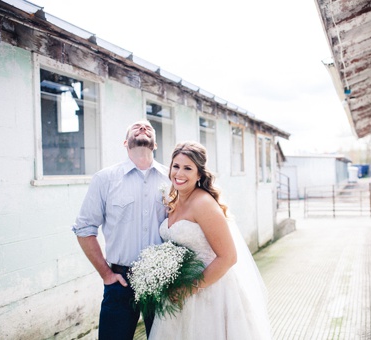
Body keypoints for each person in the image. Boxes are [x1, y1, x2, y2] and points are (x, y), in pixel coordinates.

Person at [149, 141, 270, 339]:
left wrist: (190, 289)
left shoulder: (203, 203)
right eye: (176, 166)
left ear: (199, 174)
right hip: (178, 294)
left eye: (188, 168)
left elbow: (229, 257)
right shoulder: (174, 200)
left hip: (209, 293)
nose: (179, 174)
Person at [73, 120, 167, 339]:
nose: (143, 128)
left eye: (148, 128)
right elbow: (84, 229)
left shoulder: (172, 179)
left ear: (155, 144)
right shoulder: (105, 179)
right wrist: (106, 273)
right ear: (126, 143)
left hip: (164, 282)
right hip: (120, 280)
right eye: (136, 127)